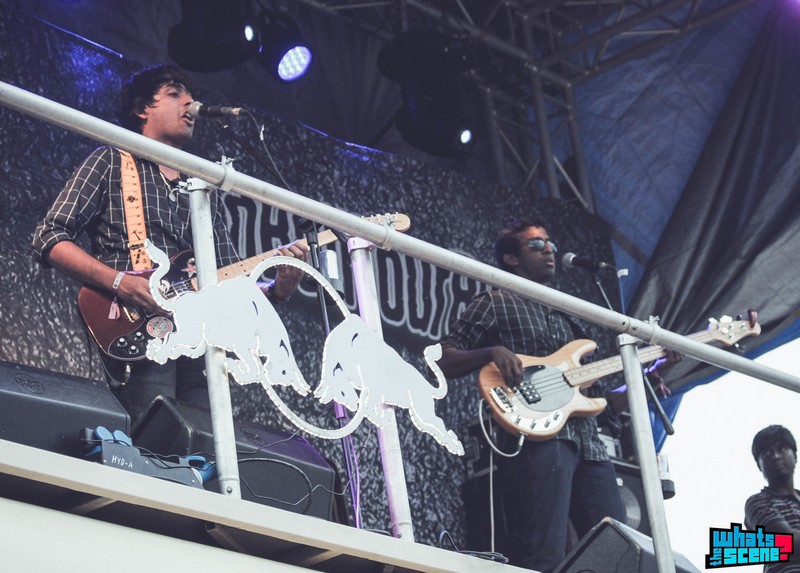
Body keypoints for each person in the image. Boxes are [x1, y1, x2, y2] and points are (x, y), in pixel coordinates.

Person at [32, 65, 308, 424]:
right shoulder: (112, 161)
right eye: (175, 93)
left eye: (191, 96)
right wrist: (121, 282)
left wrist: (277, 288)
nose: (189, 103)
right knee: (153, 433)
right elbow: (49, 237)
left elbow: (230, 280)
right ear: (141, 109)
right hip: (137, 325)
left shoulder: (203, 187)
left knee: (204, 438)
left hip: (199, 336)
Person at [437, 217, 626, 572]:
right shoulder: (496, 301)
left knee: (619, 552)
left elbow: (604, 403)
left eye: (550, 243)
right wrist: (490, 352)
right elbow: (442, 358)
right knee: (545, 552)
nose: (548, 250)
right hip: (539, 438)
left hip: (589, 443)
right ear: (511, 258)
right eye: (536, 245)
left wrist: (652, 372)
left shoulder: (568, 317)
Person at [745, 425, 800, 572]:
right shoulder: (757, 502)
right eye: (767, 453)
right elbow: (787, 540)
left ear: (795, 456)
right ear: (759, 465)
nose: (776, 456)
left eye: (782, 449)